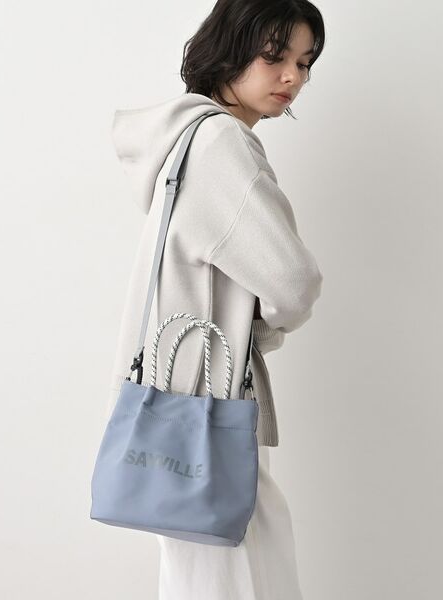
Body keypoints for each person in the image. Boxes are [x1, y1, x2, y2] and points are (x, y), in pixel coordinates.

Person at [106, 0, 326, 597]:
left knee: (205, 571)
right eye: (274, 56)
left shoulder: (182, 139)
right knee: (234, 572)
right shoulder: (221, 143)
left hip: (175, 402)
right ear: (230, 50)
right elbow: (293, 282)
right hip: (209, 407)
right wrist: (265, 332)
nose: (292, 76)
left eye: (305, 62)